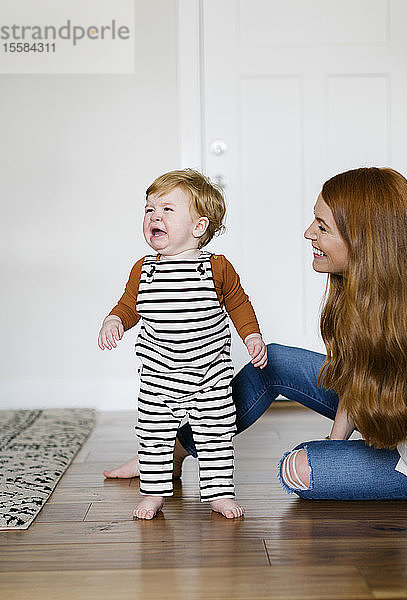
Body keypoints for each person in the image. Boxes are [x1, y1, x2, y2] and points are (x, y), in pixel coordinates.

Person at [105, 167, 407, 501]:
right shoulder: (365, 288)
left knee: (298, 471)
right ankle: (167, 458)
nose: (308, 233)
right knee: (271, 361)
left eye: (322, 227)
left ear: (366, 238)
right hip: (388, 406)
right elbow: (357, 375)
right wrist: (335, 445)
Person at [98, 169, 267, 519]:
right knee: (153, 438)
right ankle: (154, 494)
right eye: (149, 210)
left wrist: (251, 335)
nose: (154, 217)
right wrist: (114, 320)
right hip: (159, 377)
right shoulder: (144, 270)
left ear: (199, 227)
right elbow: (130, 305)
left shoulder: (215, 268)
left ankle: (218, 494)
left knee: (215, 436)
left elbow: (238, 302)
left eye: (167, 210)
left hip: (209, 376)